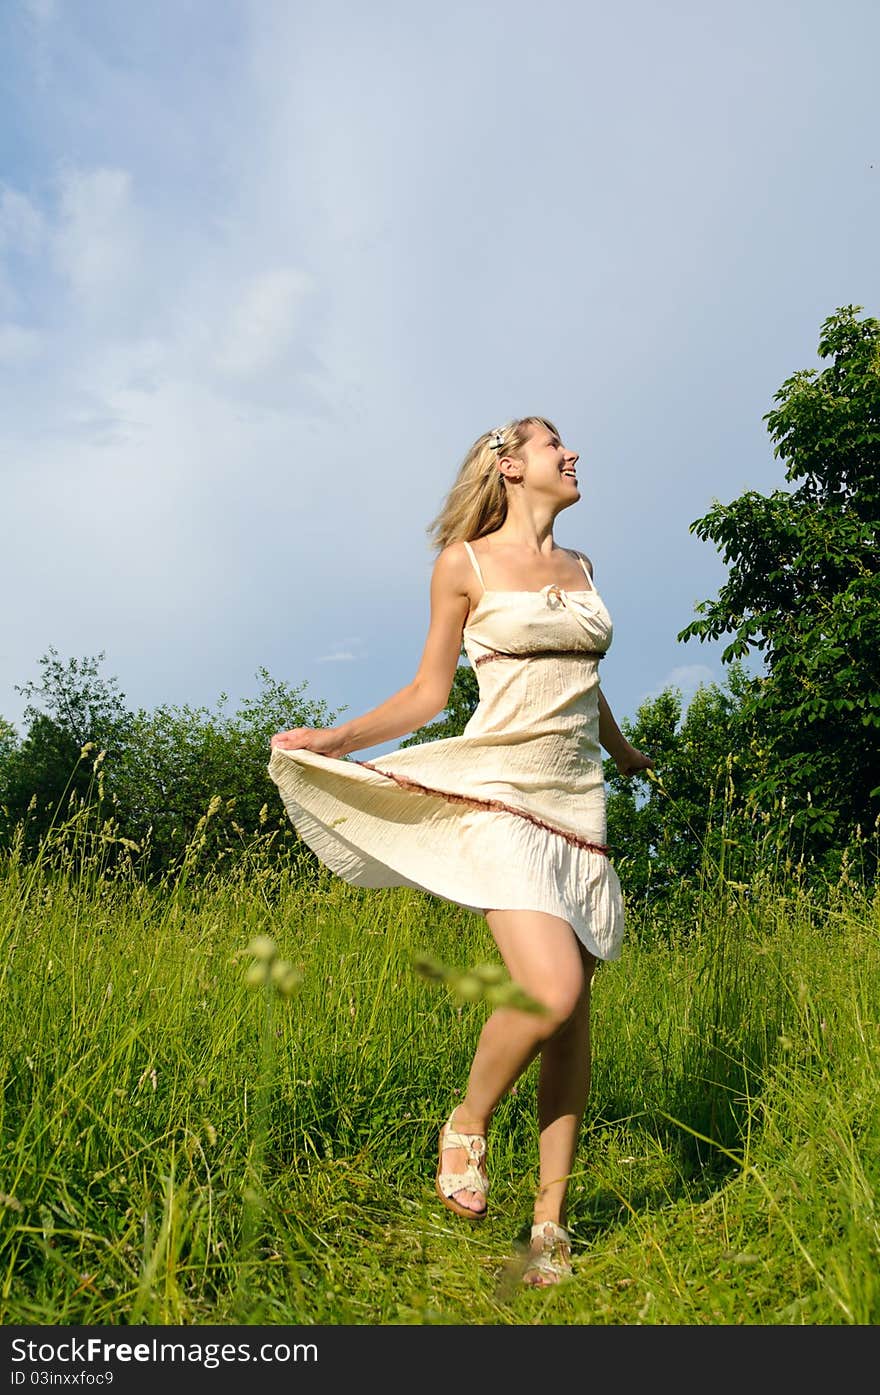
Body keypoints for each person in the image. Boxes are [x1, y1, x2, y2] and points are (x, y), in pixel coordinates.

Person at [269, 416, 653, 1286]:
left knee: (573, 1022)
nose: (575, 453)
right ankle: (468, 1119)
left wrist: (624, 752)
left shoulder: (583, 570)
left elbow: (582, 681)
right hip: (499, 795)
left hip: (577, 806)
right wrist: (339, 735)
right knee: (547, 990)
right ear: (511, 465)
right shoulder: (465, 566)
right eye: (557, 443)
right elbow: (426, 692)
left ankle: (548, 1226)